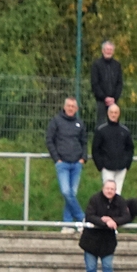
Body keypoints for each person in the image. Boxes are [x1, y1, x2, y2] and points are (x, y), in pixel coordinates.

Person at [81, 179, 131, 272]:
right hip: (91, 241)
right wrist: (105, 222)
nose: (110, 191)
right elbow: (89, 216)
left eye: (112, 189)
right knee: (91, 269)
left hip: (108, 242)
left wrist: (113, 220)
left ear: (115, 190)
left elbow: (127, 217)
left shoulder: (120, 201)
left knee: (108, 268)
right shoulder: (94, 199)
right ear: (103, 188)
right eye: (108, 188)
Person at [46, 97, 88, 234]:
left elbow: (84, 142)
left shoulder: (80, 123)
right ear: (64, 107)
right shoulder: (56, 121)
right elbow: (49, 140)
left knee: (72, 193)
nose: (70, 108)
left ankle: (67, 224)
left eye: (73, 106)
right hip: (62, 163)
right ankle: (82, 217)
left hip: (76, 164)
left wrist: (83, 158)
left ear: (76, 109)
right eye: (68, 106)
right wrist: (57, 159)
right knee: (66, 191)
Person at [91, 104, 134, 195]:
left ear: (119, 114)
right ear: (108, 113)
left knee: (118, 194)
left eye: (115, 112)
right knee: (108, 192)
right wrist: (100, 165)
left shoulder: (125, 130)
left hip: (121, 168)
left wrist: (127, 164)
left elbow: (130, 148)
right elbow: (95, 149)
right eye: (111, 112)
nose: (113, 115)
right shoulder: (101, 130)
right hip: (107, 168)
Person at [90, 40, 123, 126]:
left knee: (114, 124)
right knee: (101, 124)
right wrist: (104, 98)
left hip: (114, 101)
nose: (109, 51)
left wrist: (114, 98)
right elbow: (95, 83)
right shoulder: (96, 65)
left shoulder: (117, 65)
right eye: (107, 49)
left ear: (113, 51)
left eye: (110, 50)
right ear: (103, 50)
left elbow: (119, 83)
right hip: (101, 101)